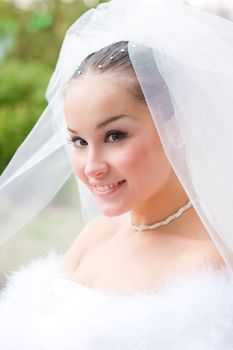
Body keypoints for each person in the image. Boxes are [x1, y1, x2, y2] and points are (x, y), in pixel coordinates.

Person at [1, 0, 233, 348]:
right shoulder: (94, 236)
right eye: (78, 141)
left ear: (176, 128)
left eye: (114, 136)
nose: (92, 166)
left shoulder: (208, 264)